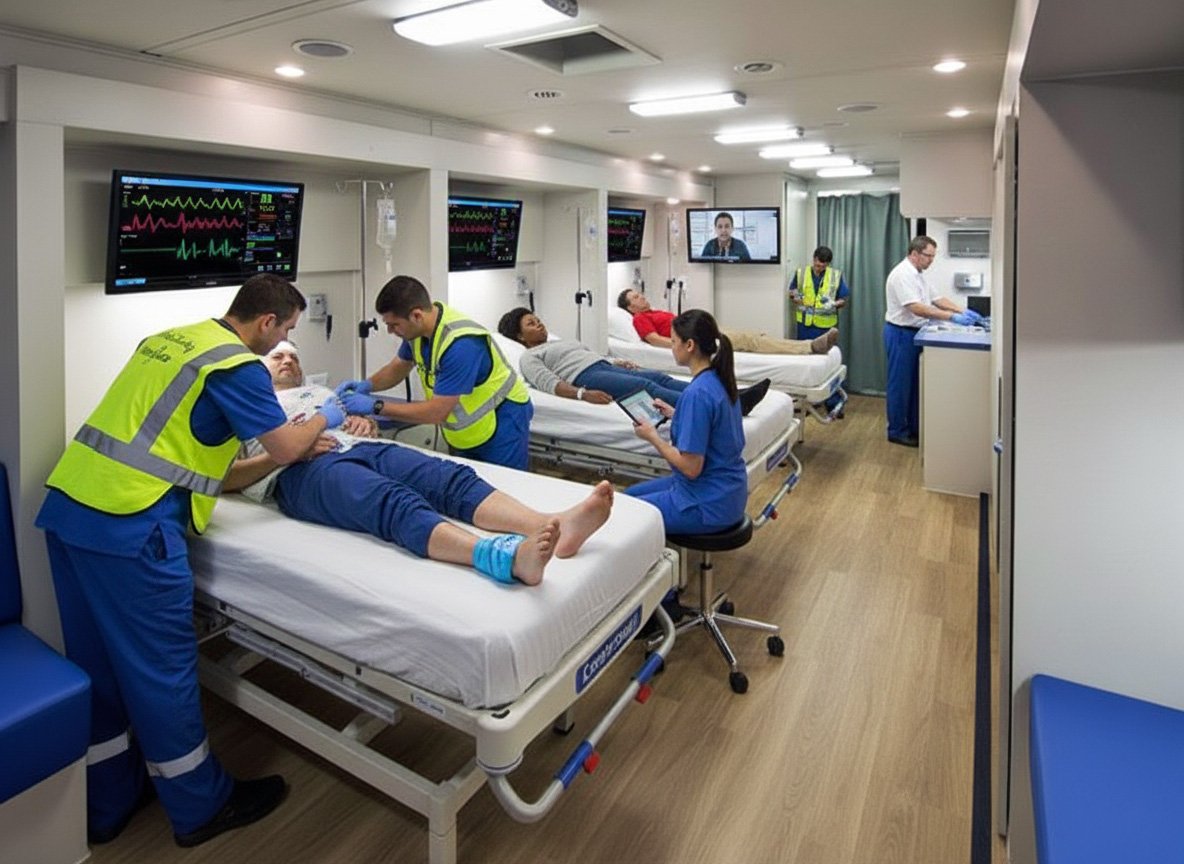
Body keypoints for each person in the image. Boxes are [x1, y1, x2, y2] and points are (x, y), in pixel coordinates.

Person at [35, 274, 345, 847]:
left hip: (71, 508)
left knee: (98, 668)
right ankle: (201, 804)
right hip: (131, 525)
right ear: (267, 322)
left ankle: (109, 801)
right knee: (163, 671)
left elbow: (190, 451)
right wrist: (330, 411)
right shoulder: (237, 366)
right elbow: (284, 446)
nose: (283, 344)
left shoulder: (170, 341)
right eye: (286, 331)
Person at [225, 341, 613, 584]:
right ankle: (501, 559)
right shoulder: (245, 405)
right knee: (389, 499)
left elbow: (356, 416)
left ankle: (552, 524)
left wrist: (363, 421)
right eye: (277, 356)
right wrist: (288, 450)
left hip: (355, 445)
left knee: (447, 477)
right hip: (300, 471)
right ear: (259, 369)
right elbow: (226, 478)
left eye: (294, 356)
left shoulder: (320, 392)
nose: (288, 361)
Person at [335, 275, 533, 469]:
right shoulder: (417, 333)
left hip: (503, 416)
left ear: (417, 315)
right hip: (468, 428)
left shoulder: (461, 345)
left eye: (394, 325)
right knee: (470, 482)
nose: (390, 331)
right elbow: (398, 366)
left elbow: (437, 412)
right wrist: (367, 385)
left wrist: (376, 406)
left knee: (505, 483)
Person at [497, 307, 773, 416]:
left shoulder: (559, 342)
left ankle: (731, 396)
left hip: (602, 367)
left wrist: (617, 363)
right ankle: (723, 409)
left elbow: (592, 355)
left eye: (538, 319)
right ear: (519, 336)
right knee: (646, 388)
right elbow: (549, 383)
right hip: (585, 377)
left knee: (660, 378)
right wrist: (582, 394)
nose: (539, 324)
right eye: (531, 324)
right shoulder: (529, 357)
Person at [626, 309, 749, 534]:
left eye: (674, 342)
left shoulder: (697, 394)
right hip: (729, 493)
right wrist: (677, 414)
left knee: (624, 510)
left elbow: (691, 468)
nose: (672, 347)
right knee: (627, 496)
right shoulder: (719, 380)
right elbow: (713, 426)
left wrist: (653, 437)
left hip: (707, 504)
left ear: (689, 345)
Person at [883, 235, 983, 447]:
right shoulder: (902, 274)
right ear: (915, 253)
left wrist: (963, 310)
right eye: (928, 256)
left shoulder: (919, 275)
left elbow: (937, 299)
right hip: (900, 333)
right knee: (900, 385)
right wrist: (952, 317)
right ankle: (896, 431)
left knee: (914, 385)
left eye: (933, 256)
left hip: (914, 333)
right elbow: (916, 307)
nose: (931, 261)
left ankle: (913, 427)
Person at [617, 289, 838, 355]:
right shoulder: (640, 319)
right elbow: (654, 340)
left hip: (703, 331)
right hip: (698, 338)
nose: (641, 296)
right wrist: (686, 346)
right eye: (635, 297)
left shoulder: (653, 311)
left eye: (639, 293)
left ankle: (807, 346)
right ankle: (809, 347)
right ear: (630, 308)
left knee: (753, 338)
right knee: (751, 340)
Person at [788, 245, 850, 414]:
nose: (820, 267)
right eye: (818, 264)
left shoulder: (835, 276)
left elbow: (844, 298)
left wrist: (834, 304)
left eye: (824, 265)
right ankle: (807, 402)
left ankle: (833, 402)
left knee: (830, 364)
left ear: (828, 264)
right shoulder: (801, 273)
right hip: (805, 326)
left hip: (826, 327)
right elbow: (792, 292)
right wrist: (798, 298)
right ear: (814, 259)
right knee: (806, 364)